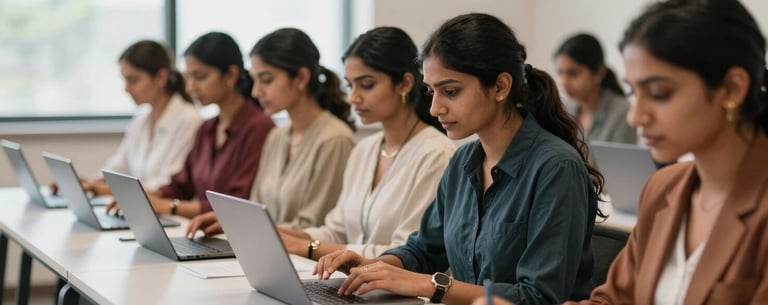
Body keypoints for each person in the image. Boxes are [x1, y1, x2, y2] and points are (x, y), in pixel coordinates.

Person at [472, 1, 768, 304]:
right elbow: (613, 300)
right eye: (633, 92)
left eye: (659, 93)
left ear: (732, 89)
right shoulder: (663, 189)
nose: (635, 117)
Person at [315, 13, 603, 305]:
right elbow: (423, 250)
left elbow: (539, 297)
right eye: (431, 91)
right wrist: (373, 266)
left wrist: (432, 286)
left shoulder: (556, 168)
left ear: (501, 87)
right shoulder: (463, 161)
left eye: (451, 91)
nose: (435, 108)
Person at [277, 26, 455, 259]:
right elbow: (336, 231)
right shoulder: (365, 149)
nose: (353, 97)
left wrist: (308, 248)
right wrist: (276, 233)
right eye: (350, 85)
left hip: (398, 291)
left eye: (367, 84)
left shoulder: (436, 155)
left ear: (405, 84)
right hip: (351, 284)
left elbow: (407, 253)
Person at [187, 27, 356, 232]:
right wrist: (231, 222)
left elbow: (313, 227)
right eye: (255, 80)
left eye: (266, 80)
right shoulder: (276, 136)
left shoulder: (334, 140)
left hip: (305, 259)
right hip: (268, 250)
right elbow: (257, 210)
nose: (256, 92)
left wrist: (245, 228)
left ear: (301, 78)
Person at [109, 32, 274, 218]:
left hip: (233, 237)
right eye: (188, 77)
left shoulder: (258, 128)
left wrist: (168, 206)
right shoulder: (208, 127)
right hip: (207, 234)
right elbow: (181, 184)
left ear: (230, 75)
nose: (190, 87)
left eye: (200, 77)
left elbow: (238, 205)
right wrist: (144, 196)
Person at [51, 40, 202, 196]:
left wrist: (104, 190)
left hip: (167, 211)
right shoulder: (141, 121)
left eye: (133, 80)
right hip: (140, 208)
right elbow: (117, 169)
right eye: (125, 80)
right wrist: (87, 183)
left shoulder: (189, 120)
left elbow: (169, 184)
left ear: (161, 77)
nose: (126, 89)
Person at [554, 33, 637, 145]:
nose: (564, 82)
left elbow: (621, 162)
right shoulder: (566, 110)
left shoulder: (622, 113)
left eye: (573, 73)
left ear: (599, 73)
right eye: (560, 73)